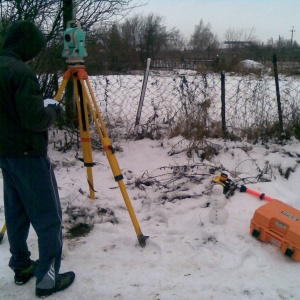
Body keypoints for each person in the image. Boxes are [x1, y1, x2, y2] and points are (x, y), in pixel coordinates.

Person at [0, 20, 75, 298]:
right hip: (29, 156)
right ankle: (47, 281)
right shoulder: (21, 72)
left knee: (17, 213)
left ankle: (21, 267)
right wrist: (52, 110)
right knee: (49, 220)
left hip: (6, 154)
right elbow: (35, 119)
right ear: (26, 45)